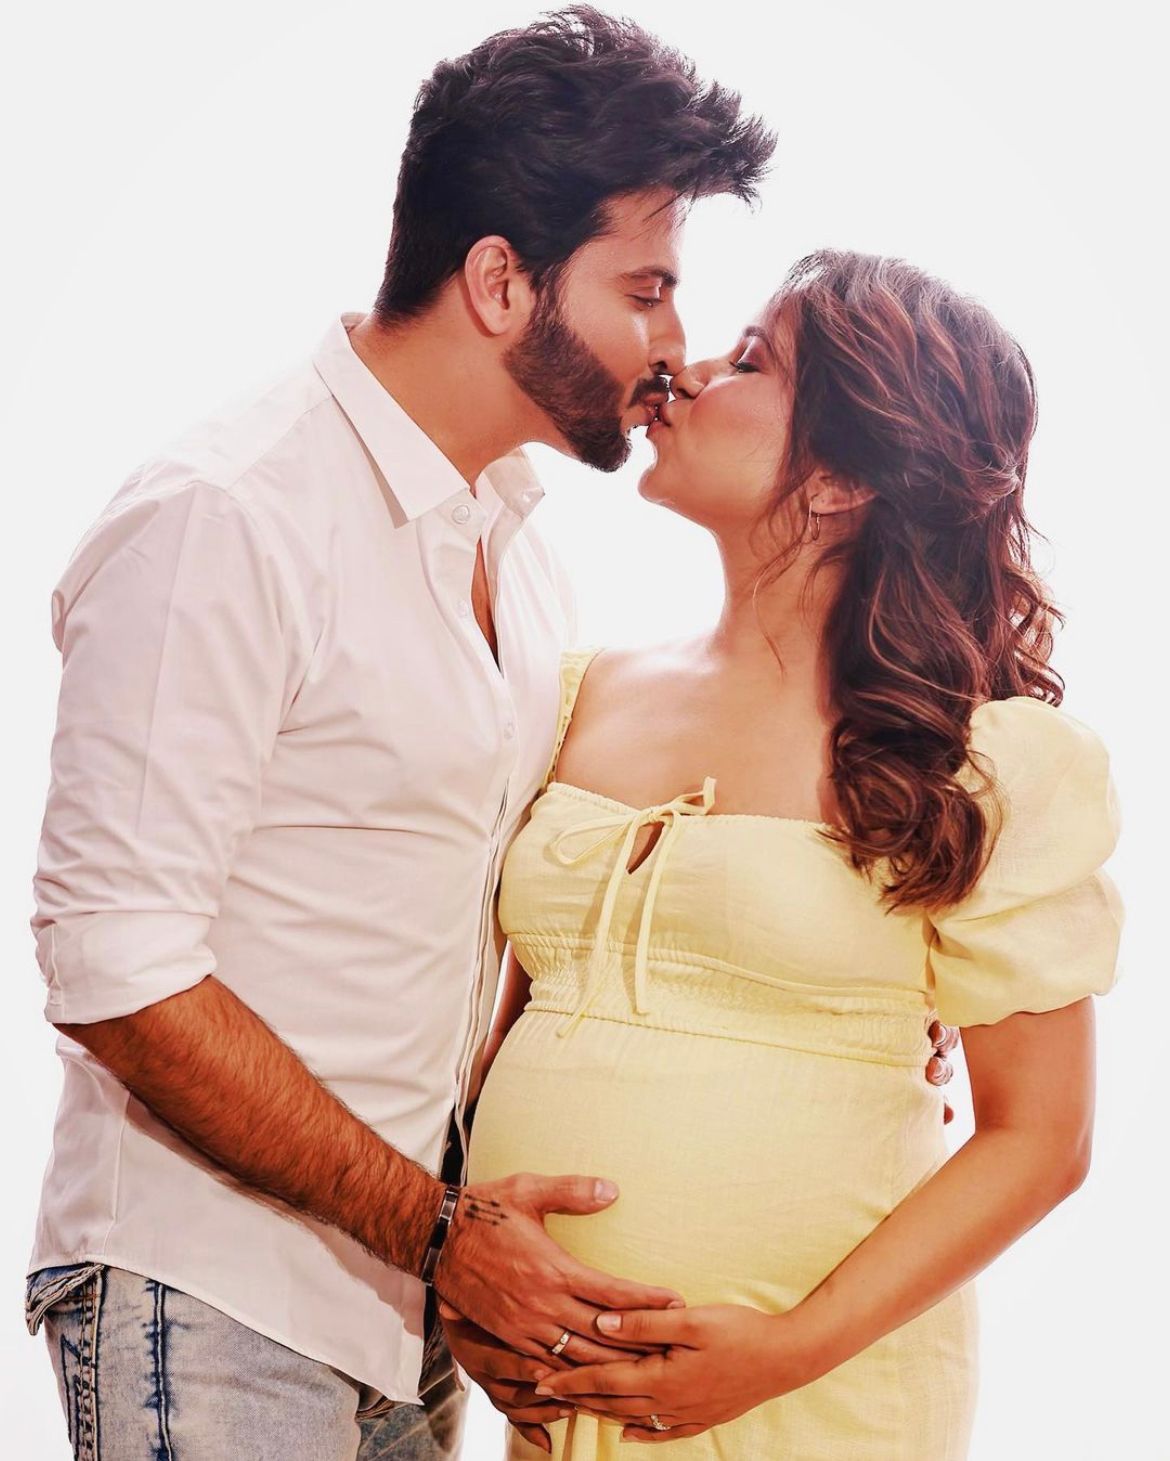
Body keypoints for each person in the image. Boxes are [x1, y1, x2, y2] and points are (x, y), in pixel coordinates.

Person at [23, 10, 776, 1458]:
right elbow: (116, 966)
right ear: (499, 281)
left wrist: (853, 965)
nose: (674, 346)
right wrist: (434, 1230)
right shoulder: (228, 515)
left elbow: (528, 885)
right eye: (645, 289)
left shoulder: (519, 554)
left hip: (408, 1309)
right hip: (215, 1298)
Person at [452, 249, 1124, 1458]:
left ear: (842, 478)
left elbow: (1042, 1138)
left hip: (817, 1405)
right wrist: (471, 1258)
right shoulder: (576, 693)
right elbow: (505, 1032)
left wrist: (788, 1350)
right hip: (557, 1406)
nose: (687, 368)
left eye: (752, 360)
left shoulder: (980, 761)